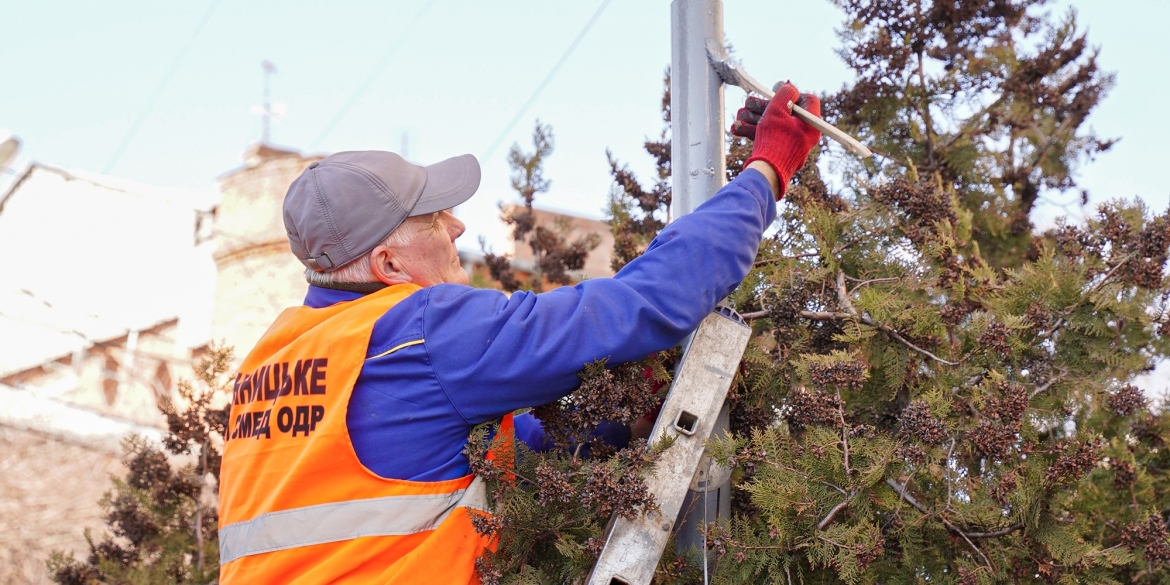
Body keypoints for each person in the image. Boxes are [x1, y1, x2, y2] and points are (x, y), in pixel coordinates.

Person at [217, 83, 822, 584]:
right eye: (432, 218)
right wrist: (767, 170)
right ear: (389, 266)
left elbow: (468, 458)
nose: (456, 226)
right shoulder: (426, 331)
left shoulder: (270, 360)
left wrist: (624, 416)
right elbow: (647, 299)